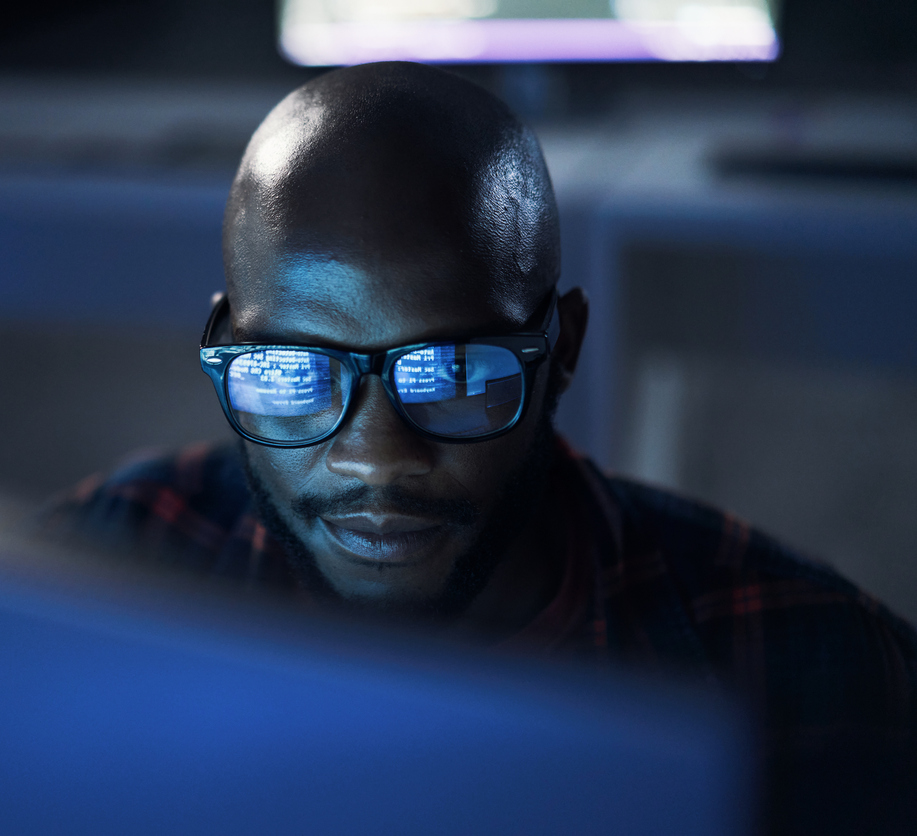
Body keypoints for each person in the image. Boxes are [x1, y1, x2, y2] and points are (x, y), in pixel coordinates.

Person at [44, 62, 916, 830]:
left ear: (562, 350)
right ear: (225, 345)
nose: (376, 458)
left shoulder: (824, 684)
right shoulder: (100, 573)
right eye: (292, 368)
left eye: (450, 371)